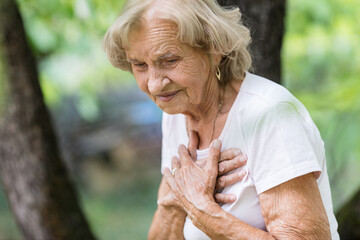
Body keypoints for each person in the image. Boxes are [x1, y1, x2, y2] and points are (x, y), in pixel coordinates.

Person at [103, 0, 340, 239]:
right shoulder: (175, 113)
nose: (154, 84)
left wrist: (202, 211)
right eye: (139, 65)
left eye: (170, 60)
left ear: (214, 50)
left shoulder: (269, 114)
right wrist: (176, 199)